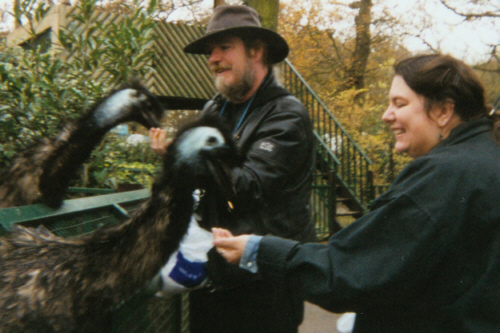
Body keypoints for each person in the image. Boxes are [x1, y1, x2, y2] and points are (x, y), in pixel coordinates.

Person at [213, 53, 500, 333]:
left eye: (399, 104)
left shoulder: (445, 175)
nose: (386, 115)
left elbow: (350, 272)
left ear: (443, 111)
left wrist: (257, 251)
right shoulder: (487, 159)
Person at [149, 5, 316, 333]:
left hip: (265, 284)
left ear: (256, 51)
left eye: (224, 47)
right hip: (213, 277)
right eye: (210, 51)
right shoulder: (214, 108)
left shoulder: (287, 115)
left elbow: (248, 186)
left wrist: (186, 158)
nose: (213, 58)